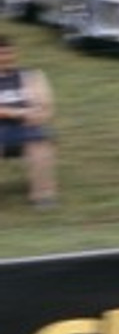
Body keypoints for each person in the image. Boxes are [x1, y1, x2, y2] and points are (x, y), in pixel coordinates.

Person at [0, 35, 58, 209]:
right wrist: (19, 112)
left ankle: (42, 195)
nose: (5, 57)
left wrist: (41, 114)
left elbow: (46, 104)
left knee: (40, 143)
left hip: (27, 129)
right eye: (1, 53)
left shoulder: (31, 76)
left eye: (8, 52)